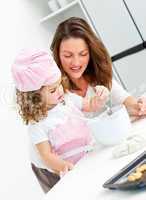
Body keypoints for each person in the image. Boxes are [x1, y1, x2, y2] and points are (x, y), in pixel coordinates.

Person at [11, 49, 97, 193]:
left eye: (59, 85)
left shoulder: (67, 99)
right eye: (52, 90)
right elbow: (47, 156)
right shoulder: (38, 125)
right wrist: (65, 167)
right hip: (51, 169)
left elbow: (88, 105)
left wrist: (99, 99)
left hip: (78, 156)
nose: (59, 91)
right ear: (35, 97)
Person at [51, 17, 146, 118]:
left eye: (83, 54)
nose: (76, 62)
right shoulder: (53, 90)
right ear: (57, 55)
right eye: (68, 56)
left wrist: (140, 106)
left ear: (91, 52)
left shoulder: (98, 76)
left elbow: (125, 100)